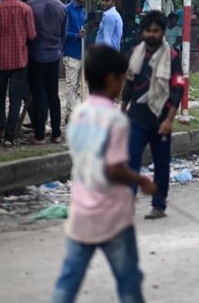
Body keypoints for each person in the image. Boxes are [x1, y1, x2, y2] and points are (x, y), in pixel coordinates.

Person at [50, 45, 156, 303]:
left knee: (68, 281)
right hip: (112, 216)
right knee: (129, 282)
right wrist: (141, 180)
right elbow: (113, 169)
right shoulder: (116, 119)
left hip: (81, 211)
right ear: (111, 79)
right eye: (122, 78)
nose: (123, 85)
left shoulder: (78, 114)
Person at [122, 11, 184, 219]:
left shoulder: (172, 56)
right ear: (142, 32)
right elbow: (129, 84)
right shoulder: (135, 53)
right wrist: (121, 112)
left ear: (163, 32)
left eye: (156, 31)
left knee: (161, 163)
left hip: (161, 118)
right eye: (148, 30)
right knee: (131, 163)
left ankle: (159, 206)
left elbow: (178, 89)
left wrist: (169, 120)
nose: (151, 34)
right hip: (136, 118)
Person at [0, 0, 36, 147]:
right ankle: (9, 137)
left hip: (0, 60)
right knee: (15, 100)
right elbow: (32, 35)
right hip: (20, 60)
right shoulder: (25, 9)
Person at [27, 0, 67, 145]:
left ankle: (40, 134)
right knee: (54, 94)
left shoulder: (30, 7)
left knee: (39, 94)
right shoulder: (61, 6)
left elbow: (28, 34)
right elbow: (63, 34)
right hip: (54, 54)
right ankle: (57, 133)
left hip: (35, 54)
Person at [63, 0, 88, 122]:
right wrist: (76, 35)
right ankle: (71, 115)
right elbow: (63, 33)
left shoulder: (83, 10)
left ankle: (72, 113)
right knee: (71, 85)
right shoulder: (67, 10)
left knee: (79, 85)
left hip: (81, 52)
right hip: (70, 52)